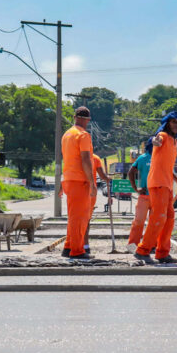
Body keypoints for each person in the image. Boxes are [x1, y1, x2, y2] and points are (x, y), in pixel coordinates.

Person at [134, 112, 177, 264]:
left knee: (169, 218)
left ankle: (163, 253)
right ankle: (142, 250)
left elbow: (167, 167)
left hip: (167, 184)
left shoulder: (174, 141)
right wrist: (154, 140)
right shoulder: (162, 135)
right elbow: (155, 140)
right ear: (168, 123)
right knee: (159, 217)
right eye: (174, 122)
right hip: (158, 183)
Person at [59, 107, 97, 259]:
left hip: (69, 179)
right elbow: (85, 159)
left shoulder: (67, 134)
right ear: (88, 120)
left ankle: (68, 247)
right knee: (80, 217)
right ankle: (77, 250)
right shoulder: (83, 135)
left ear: (74, 117)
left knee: (73, 216)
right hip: (80, 180)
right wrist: (92, 182)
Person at [127, 141, 153, 253]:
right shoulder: (142, 158)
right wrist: (136, 189)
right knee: (138, 222)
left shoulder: (161, 157)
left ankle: (151, 246)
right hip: (144, 196)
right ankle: (132, 247)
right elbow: (131, 172)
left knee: (155, 223)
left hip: (158, 196)